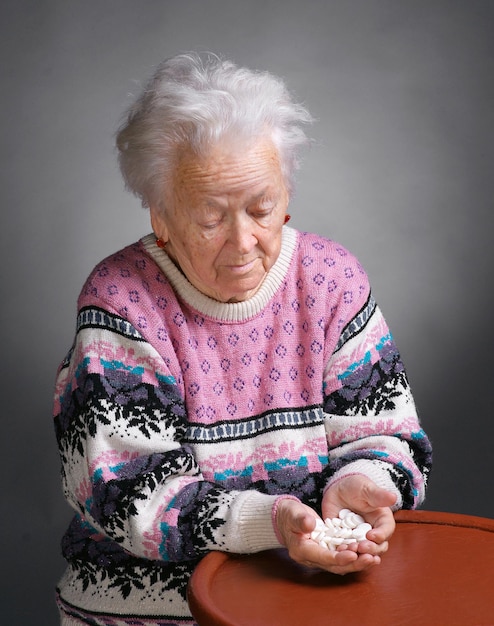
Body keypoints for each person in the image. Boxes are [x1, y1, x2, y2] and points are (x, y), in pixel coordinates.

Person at [53, 52, 432, 626]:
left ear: (286, 192)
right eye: (210, 217)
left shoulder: (330, 280)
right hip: (150, 613)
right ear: (160, 215)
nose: (244, 241)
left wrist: (365, 482)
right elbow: (128, 495)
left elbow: (388, 432)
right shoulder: (120, 302)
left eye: (262, 207)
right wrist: (274, 522)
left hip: (302, 599)